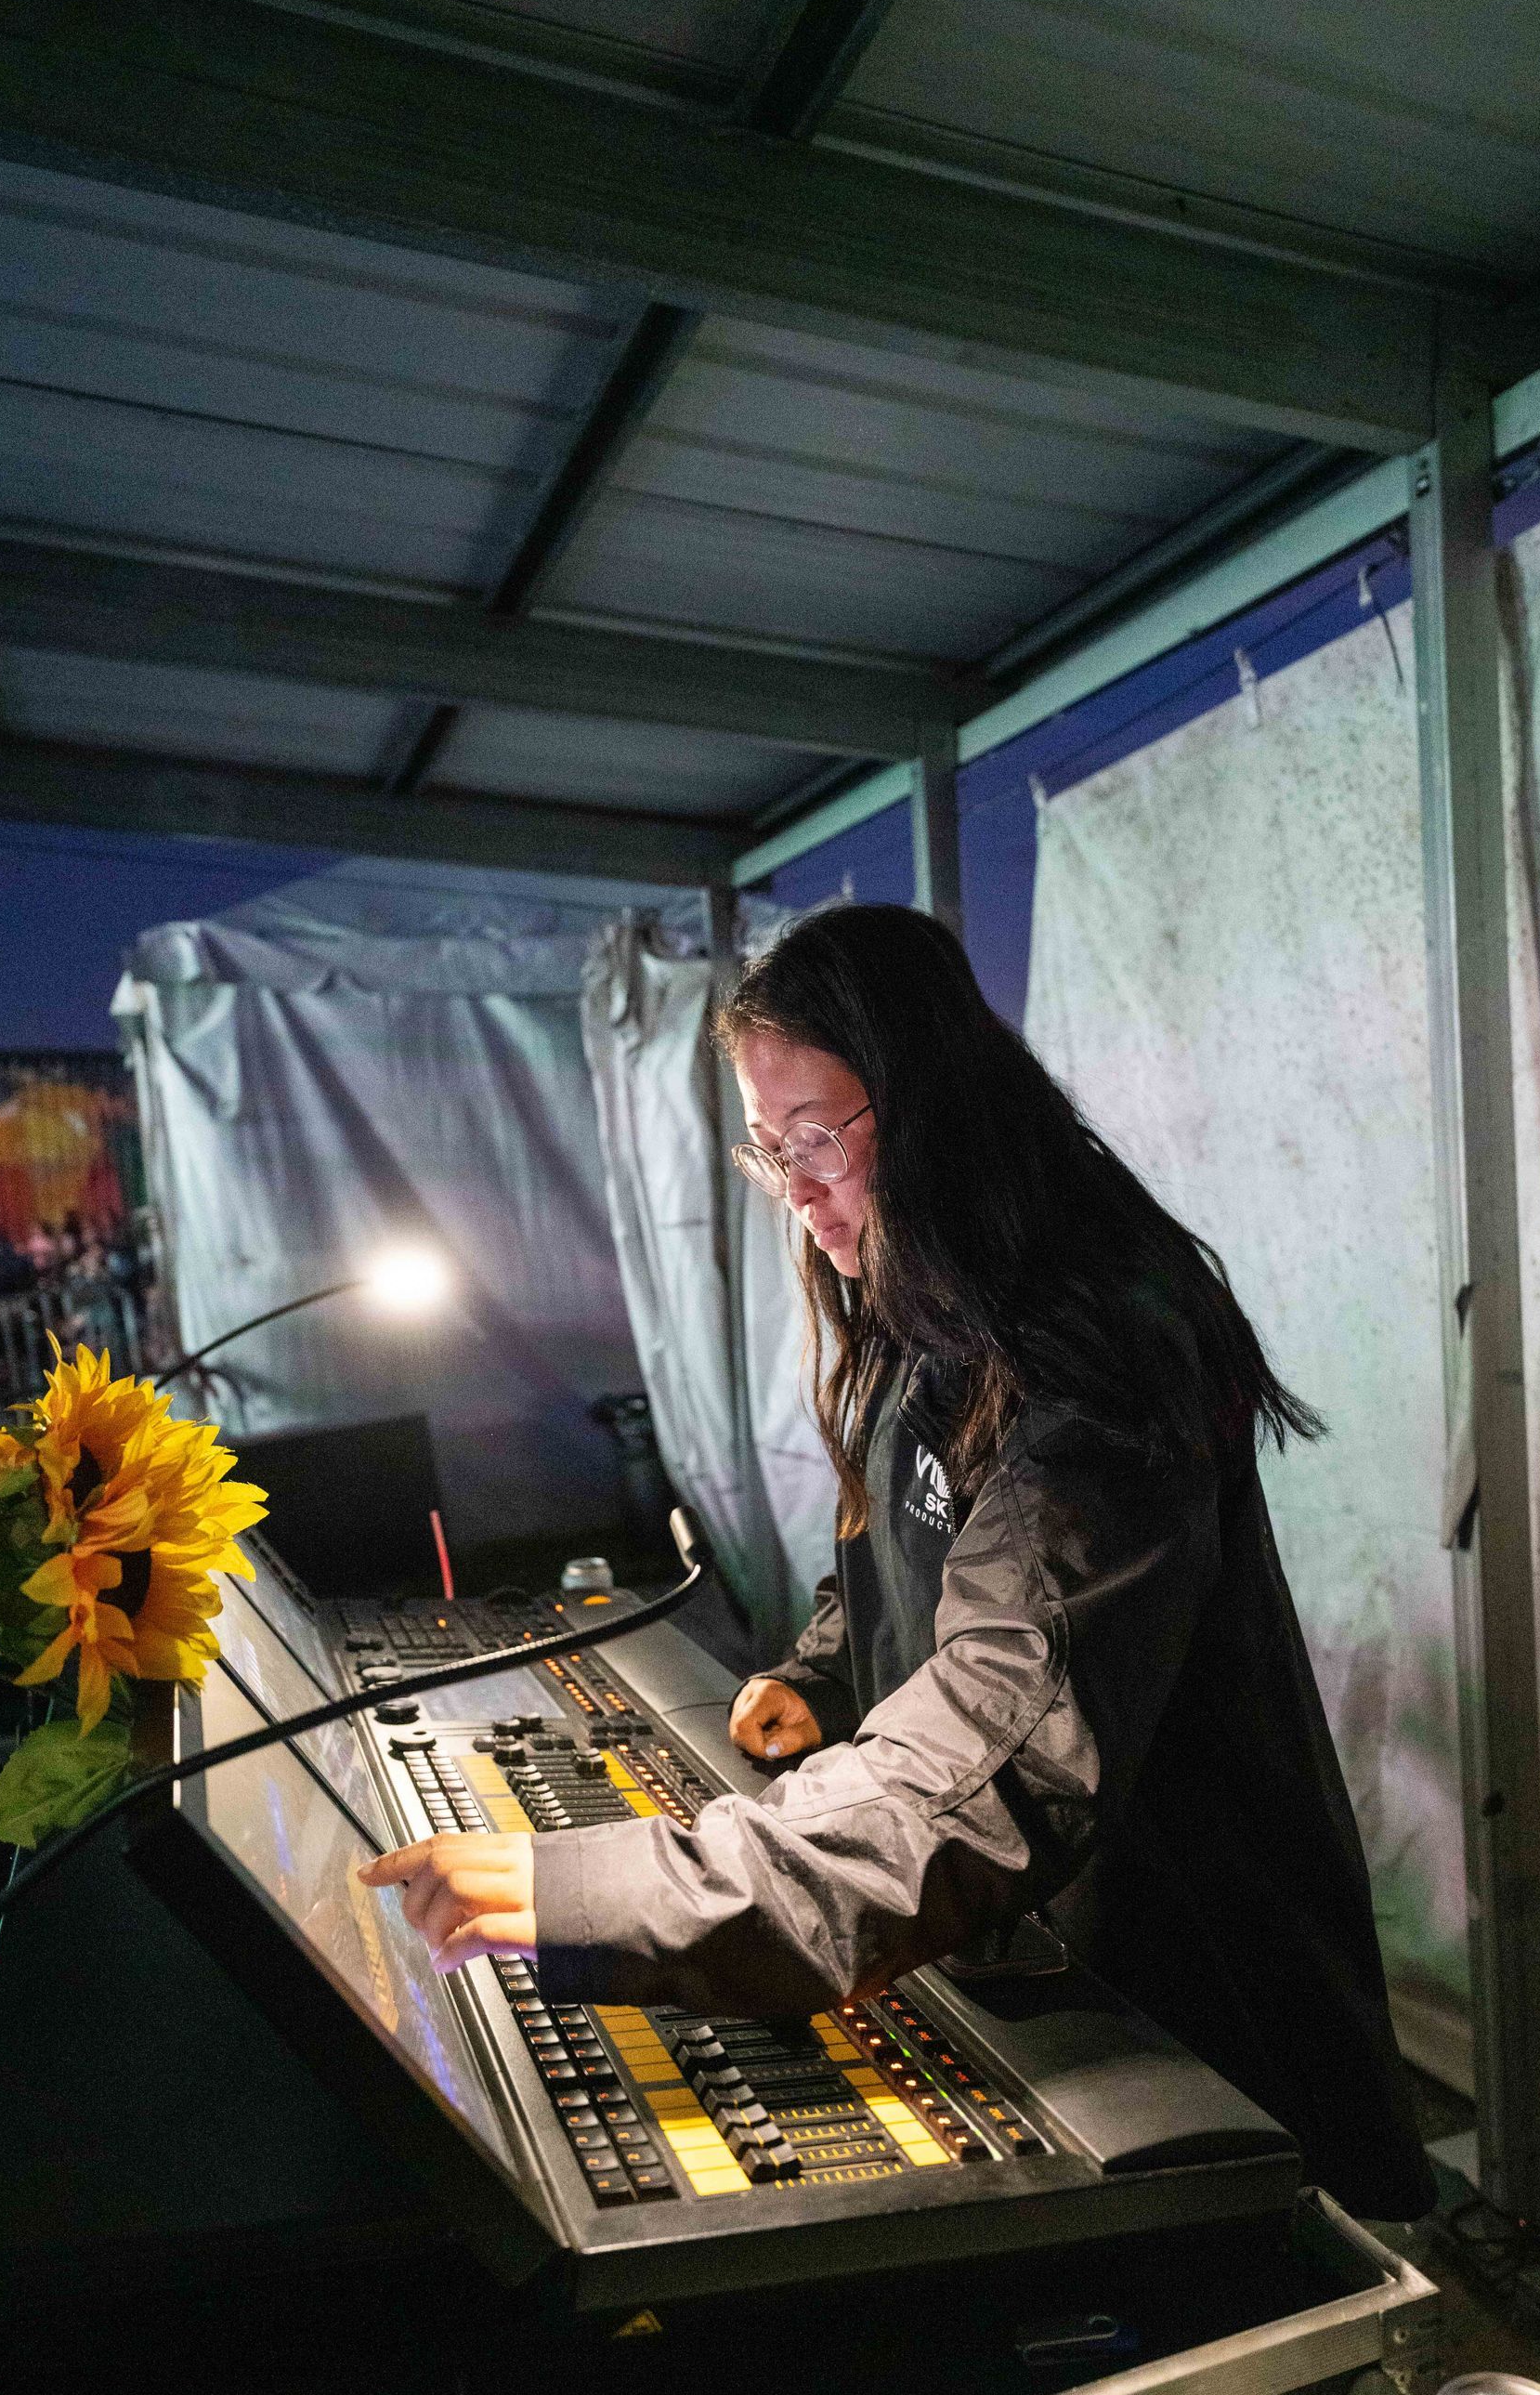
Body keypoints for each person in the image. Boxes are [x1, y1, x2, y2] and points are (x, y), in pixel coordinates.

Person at [362, 906, 1434, 2216]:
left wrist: (610, 1891)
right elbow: (912, 1543)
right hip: (1022, 1941)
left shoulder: (1094, 1352)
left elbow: (1004, 1750)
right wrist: (823, 1669)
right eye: (772, 1148)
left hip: (1186, 1998)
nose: (798, 1188)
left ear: (935, 1109)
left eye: (818, 1139)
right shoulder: (925, 1288)